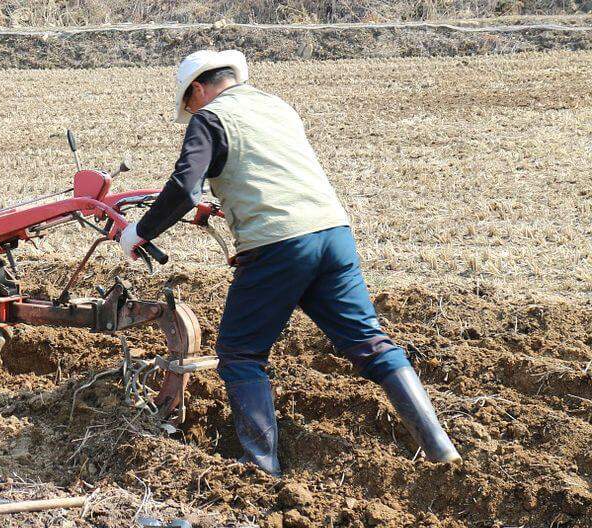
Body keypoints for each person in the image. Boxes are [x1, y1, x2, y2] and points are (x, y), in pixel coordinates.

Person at [117, 49, 461, 476]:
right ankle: (439, 446)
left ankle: (262, 467)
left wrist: (140, 231)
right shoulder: (277, 107)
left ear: (199, 90)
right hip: (333, 234)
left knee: (240, 353)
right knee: (369, 343)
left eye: (188, 104)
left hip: (278, 246)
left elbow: (184, 189)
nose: (190, 113)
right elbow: (263, 171)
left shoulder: (210, 118)